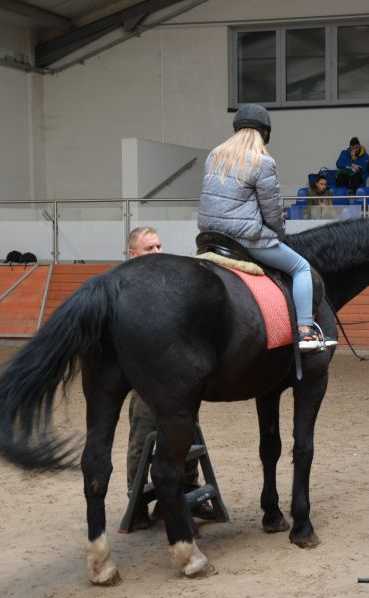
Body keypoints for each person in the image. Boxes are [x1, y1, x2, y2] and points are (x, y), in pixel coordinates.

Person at [199, 103, 337, 352]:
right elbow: (272, 211)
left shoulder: (214, 156)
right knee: (301, 267)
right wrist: (279, 234)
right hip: (245, 240)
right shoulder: (262, 162)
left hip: (211, 238)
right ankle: (306, 331)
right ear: (265, 133)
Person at [124, 226, 213, 529]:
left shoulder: (171, 281)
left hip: (179, 377)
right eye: (149, 248)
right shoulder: (126, 289)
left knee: (187, 433)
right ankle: (136, 503)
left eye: (159, 246)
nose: (157, 252)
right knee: (142, 437)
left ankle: (186, 495)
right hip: (146, 380)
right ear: (133, 254)